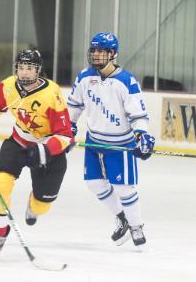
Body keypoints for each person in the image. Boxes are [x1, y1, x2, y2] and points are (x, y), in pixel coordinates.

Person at [0, 49, 73, 258]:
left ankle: (34, 205)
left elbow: (65, 136)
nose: (24, 73)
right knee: (0, 183)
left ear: (38, 71)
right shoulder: (8, 86)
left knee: (42, 204)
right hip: (18, 141)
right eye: (21, 68)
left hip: (48, 150)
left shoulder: (51, 94)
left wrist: (43, 150)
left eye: (30, 69)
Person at [67, 32, 155, 247]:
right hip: (94, 141)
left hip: (121, 144)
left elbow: (138, 115)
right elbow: (74, 105)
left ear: (113, 54)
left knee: (124, 188)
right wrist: (68, 126)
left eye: (102, 51)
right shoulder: (84, 77)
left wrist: (141, 134)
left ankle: (136, 226)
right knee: (94, 184)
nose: (96, 55)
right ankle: (123, 219)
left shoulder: (126, 82)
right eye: (94, 50)